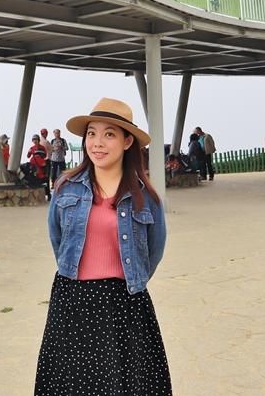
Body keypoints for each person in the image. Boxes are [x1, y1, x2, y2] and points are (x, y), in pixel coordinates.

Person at [35, 97, 170, 395]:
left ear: (126, 141)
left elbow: (154, 250)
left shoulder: (146, 197)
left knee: (123, 385)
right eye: (92, 133)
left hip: (124, 304)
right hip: (73, 300)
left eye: (109, 134)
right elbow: (58, 239)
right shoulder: (66, 187)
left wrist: (130, 279)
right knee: (74, 385)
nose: (98, 142)